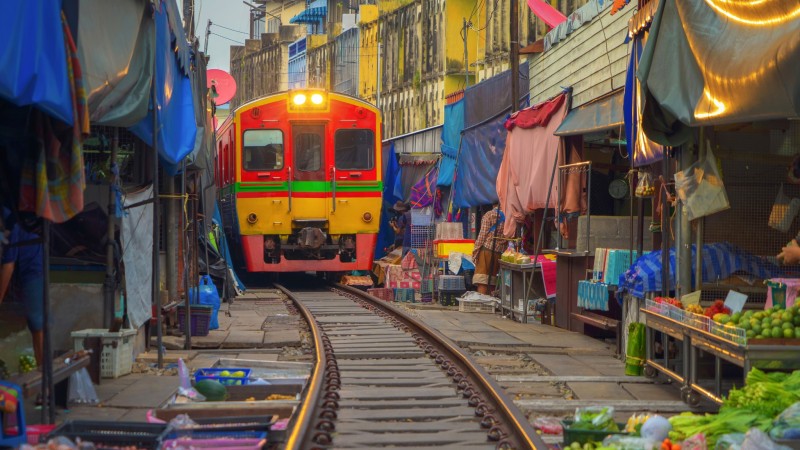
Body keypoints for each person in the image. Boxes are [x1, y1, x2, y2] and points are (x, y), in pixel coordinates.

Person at [0, 208, 44, 367]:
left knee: (36, 322)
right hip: (25, 267)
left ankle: (42, 371)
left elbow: (8, 265)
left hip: (32, 269)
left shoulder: (11, 221)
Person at [472, 203, 505, 295]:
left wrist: (475, 252)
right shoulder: (509, 216)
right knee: (492, 279)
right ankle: (490, 301)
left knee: (482, 279)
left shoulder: (489, 215)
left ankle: (482, 302)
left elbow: (482, 236)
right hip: (499, 252)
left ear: (493, 205)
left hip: (486, 250)